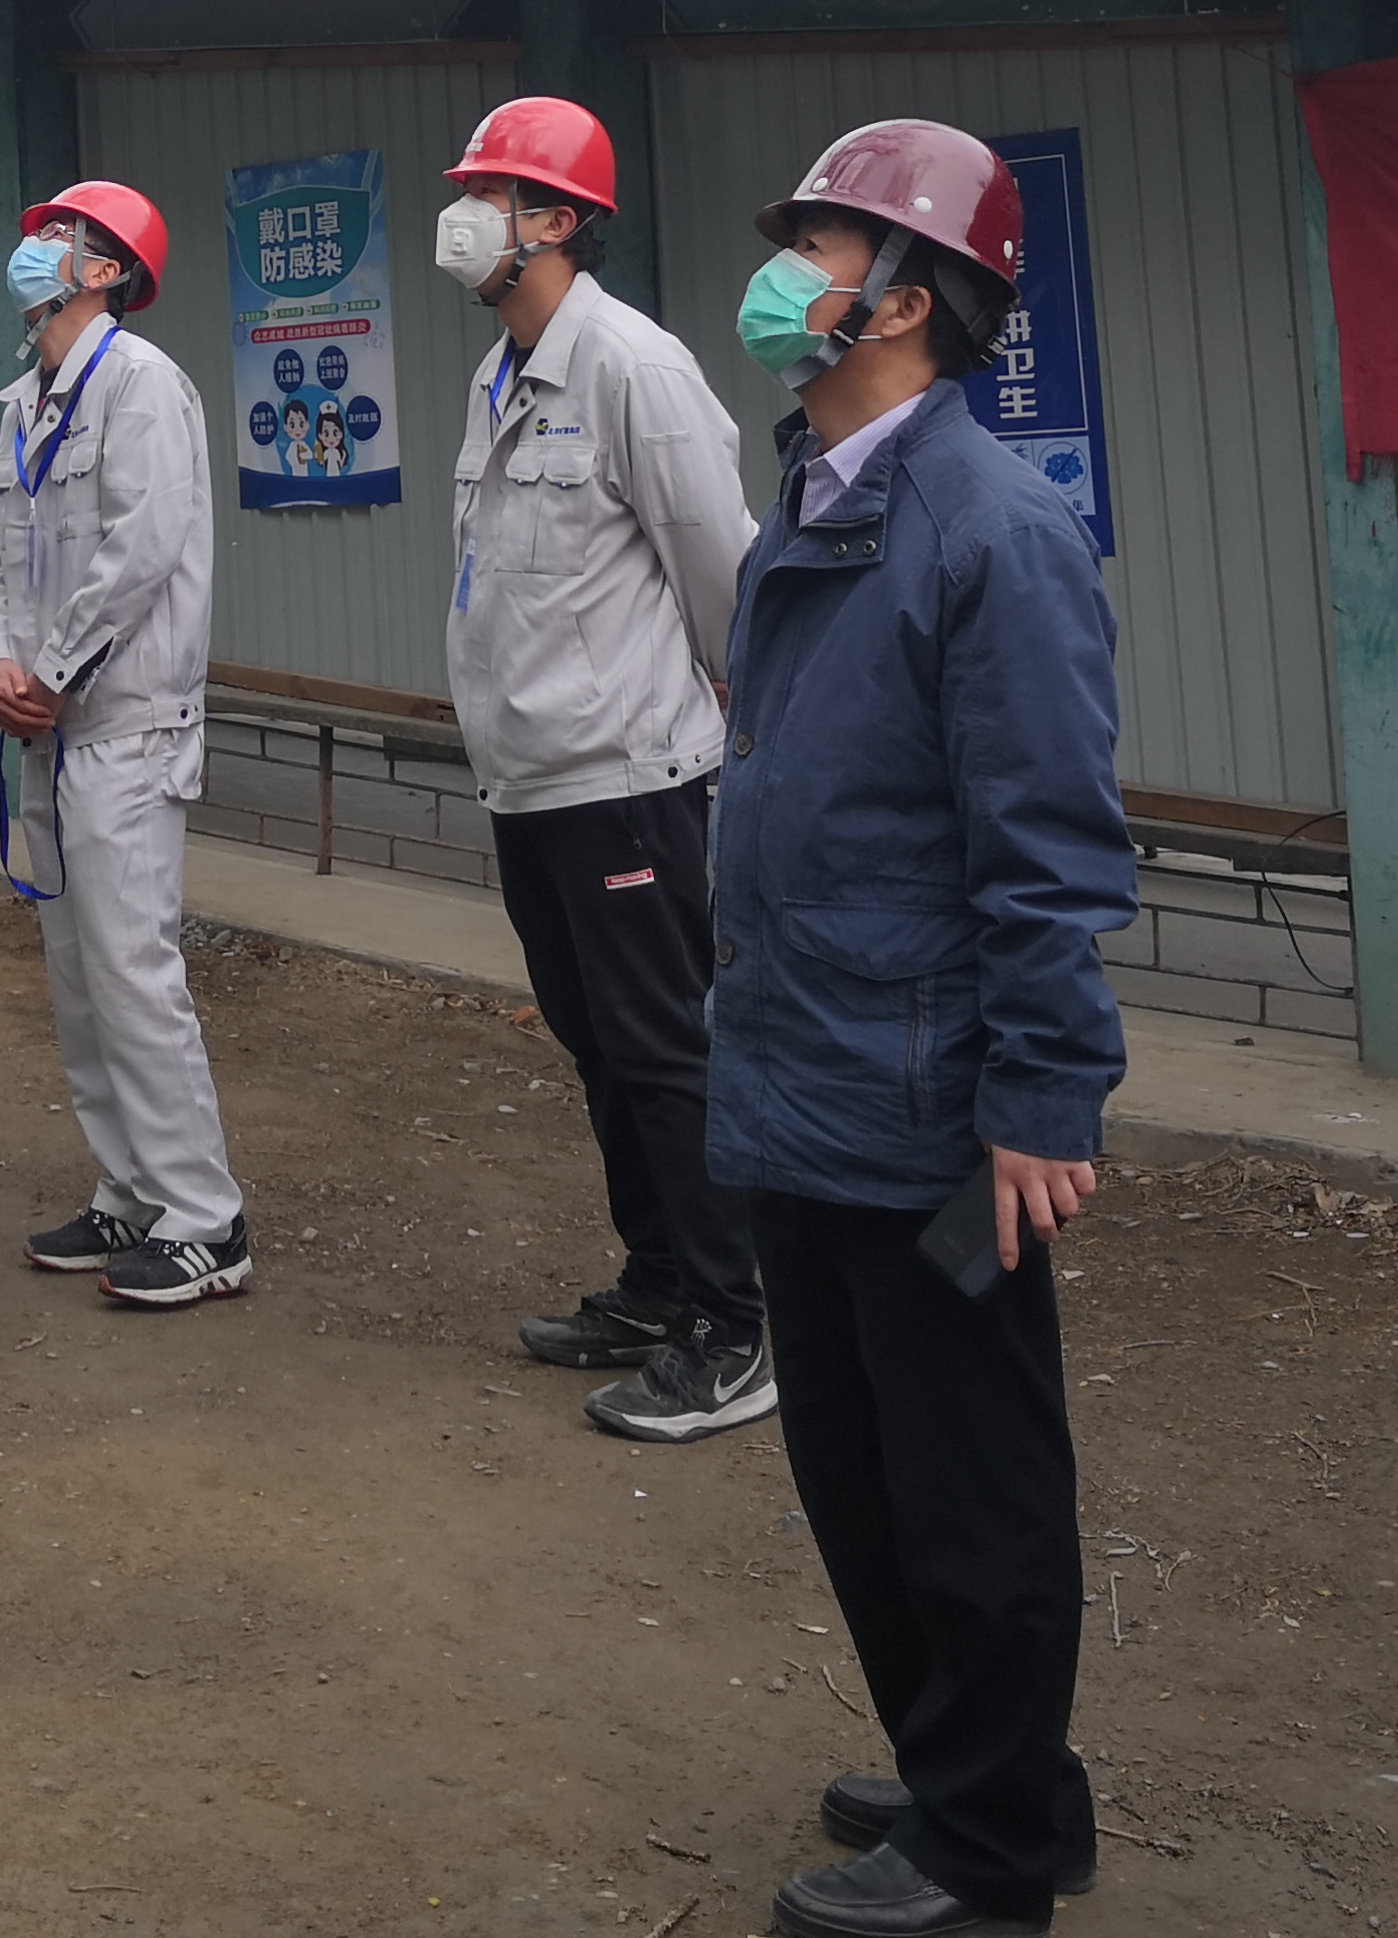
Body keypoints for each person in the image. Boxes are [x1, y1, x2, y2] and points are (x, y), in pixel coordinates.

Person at [708, 121, 1132, 1938]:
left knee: (968, 1481)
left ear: (900, 299)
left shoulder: (990, 531)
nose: (779, 274)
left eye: (816, 243)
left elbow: (1050, 847)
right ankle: (983, 1770)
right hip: (802, 1067)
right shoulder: (813, 492)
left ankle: (987, 1857)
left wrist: (1041, 1094)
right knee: (855, 1463)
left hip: (934, 1110)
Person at [432, 96, 767, 1444]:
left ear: (559, 219)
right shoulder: (501, 373)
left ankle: (737, 1323)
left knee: (666, 1050)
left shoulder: (633, 367)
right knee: (602, 1045)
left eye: (491, 195)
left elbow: (723, 569)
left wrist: (737, 718)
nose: (465, 218)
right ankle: (659, 1282)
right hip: (530, 777)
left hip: (627, 777)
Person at [0, 175, 250, 1308]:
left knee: (134, 973)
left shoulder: (142, 385)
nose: (38, 247)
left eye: (62, 235)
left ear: (108, 271)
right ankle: (128, 1190)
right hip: (48, 729)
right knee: (79, 976)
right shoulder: (24, 405)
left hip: (125, 727)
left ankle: (206, 1218)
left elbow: (143, 550)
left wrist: (50, 670)